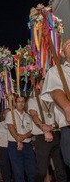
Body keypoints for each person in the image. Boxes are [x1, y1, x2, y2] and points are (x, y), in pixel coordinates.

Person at [27, 77, 67, 181]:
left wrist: (52, 127)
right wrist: (45, 129)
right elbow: (34, 115)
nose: (46, 84)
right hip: (41, 137)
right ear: (38, 86)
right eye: (43, 82)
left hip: (57, 135)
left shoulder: (56, 100)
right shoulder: (33, 100)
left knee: (61, 169)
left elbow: (62, 118)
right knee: (41, 170)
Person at [41, 38, 70, 168]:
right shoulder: (56, 71)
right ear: (62, 53)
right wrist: (67, 108)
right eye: (68, 44)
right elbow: (56, 91)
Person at [5, 96, 35, 182]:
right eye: (18, 101)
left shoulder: (29, 116)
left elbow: (32, 131)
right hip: (14, 145)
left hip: (28, 145)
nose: (21, 103)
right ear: (15, 103)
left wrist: (23, 137)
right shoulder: (10, 114)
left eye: (23, 101)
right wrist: (18, 140)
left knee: (32, 171)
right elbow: (11, 128)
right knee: (18, 172)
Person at [0, 108, 12, 182]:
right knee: (5, 170)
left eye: (10, 113)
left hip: (14, 148)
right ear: (3, 115)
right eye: (7, 113)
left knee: (15, 169)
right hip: (3, 150)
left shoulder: (15, 124)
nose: (9, 115)